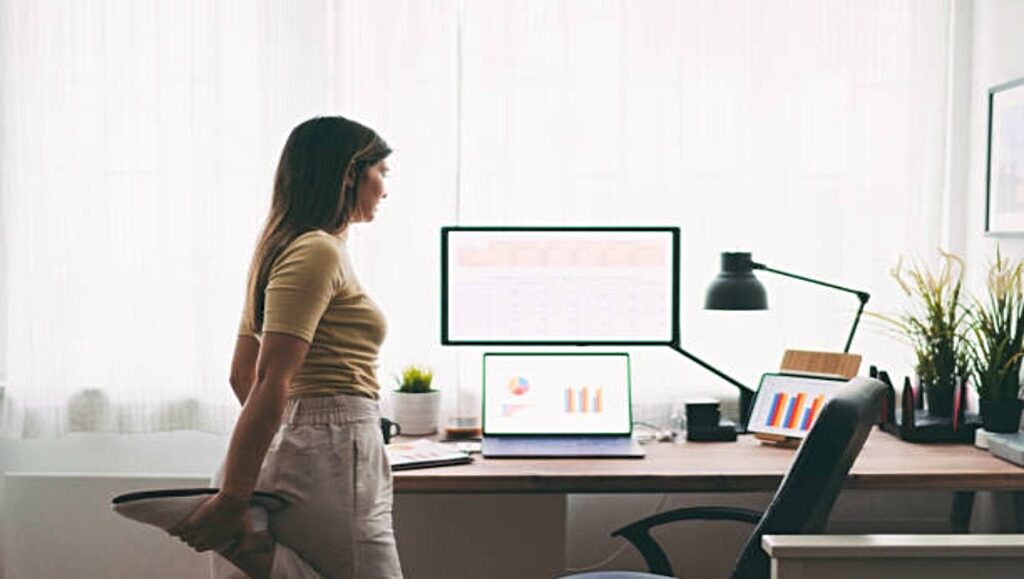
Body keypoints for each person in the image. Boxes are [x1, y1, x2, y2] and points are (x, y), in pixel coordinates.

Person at [169, 116, 402, 578]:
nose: (384, 189)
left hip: (308, 447)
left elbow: (242, 375)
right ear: (349, 173)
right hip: (328, 452)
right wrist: (234, 496)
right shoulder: (318, 250)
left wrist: (284, 439)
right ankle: (250, 544)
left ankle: (255, 552)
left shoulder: (281, 247)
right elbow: (269, 377)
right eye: (381, 173)